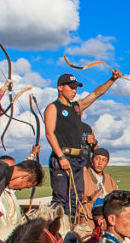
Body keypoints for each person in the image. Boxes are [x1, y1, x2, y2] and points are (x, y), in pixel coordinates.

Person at [44, 69, 122, 220]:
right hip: (63, 156)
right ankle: (57, 230)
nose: (74, 91)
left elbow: (96, 94)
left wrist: (112, 80)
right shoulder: (53, 107)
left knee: (75, 198)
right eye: (71, 87)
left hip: (78, 158)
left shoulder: (76, 107)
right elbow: (49, 133)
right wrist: (60, 156)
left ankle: (70, 230)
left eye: (76, 88)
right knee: (61, 198)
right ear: (60, 87)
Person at [82, 148, 118, 212]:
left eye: (104, 160)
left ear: (107, 163)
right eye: (97, 159)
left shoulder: (110, 180)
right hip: (87, 216)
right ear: (91, 160)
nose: (100, 163)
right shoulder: (83, 176)